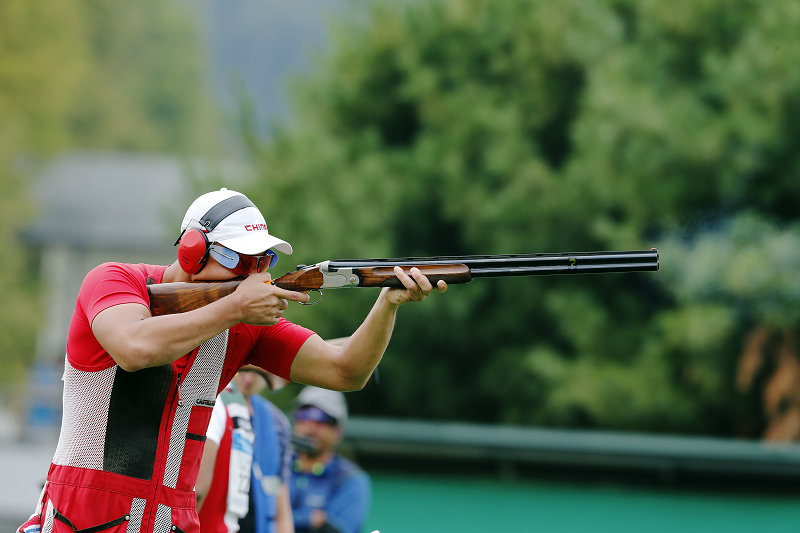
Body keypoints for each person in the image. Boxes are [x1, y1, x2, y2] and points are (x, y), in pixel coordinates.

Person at [19, 187, 445, 533]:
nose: (254, 273)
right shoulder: (114, 281)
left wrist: (387, 304)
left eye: (262, 260)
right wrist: (234, 307)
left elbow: (346, 371)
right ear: (191, 251)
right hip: (82, 519)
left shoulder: (243, 323)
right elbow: (135, 349)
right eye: (238, 259)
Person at [196, 366, 293, 533]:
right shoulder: (211, 401)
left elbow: (280, 497)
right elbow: (197, 489)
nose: (249, 378)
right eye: (244, 369)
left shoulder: (276, 422)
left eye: (257, 372)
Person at [289, 387, 370, 533]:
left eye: (321, 418)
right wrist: (309, 519)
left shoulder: (350, 479)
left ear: (338, 430)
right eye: (304, 415)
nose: (311, 426)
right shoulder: (276, 466)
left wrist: (282, 520)